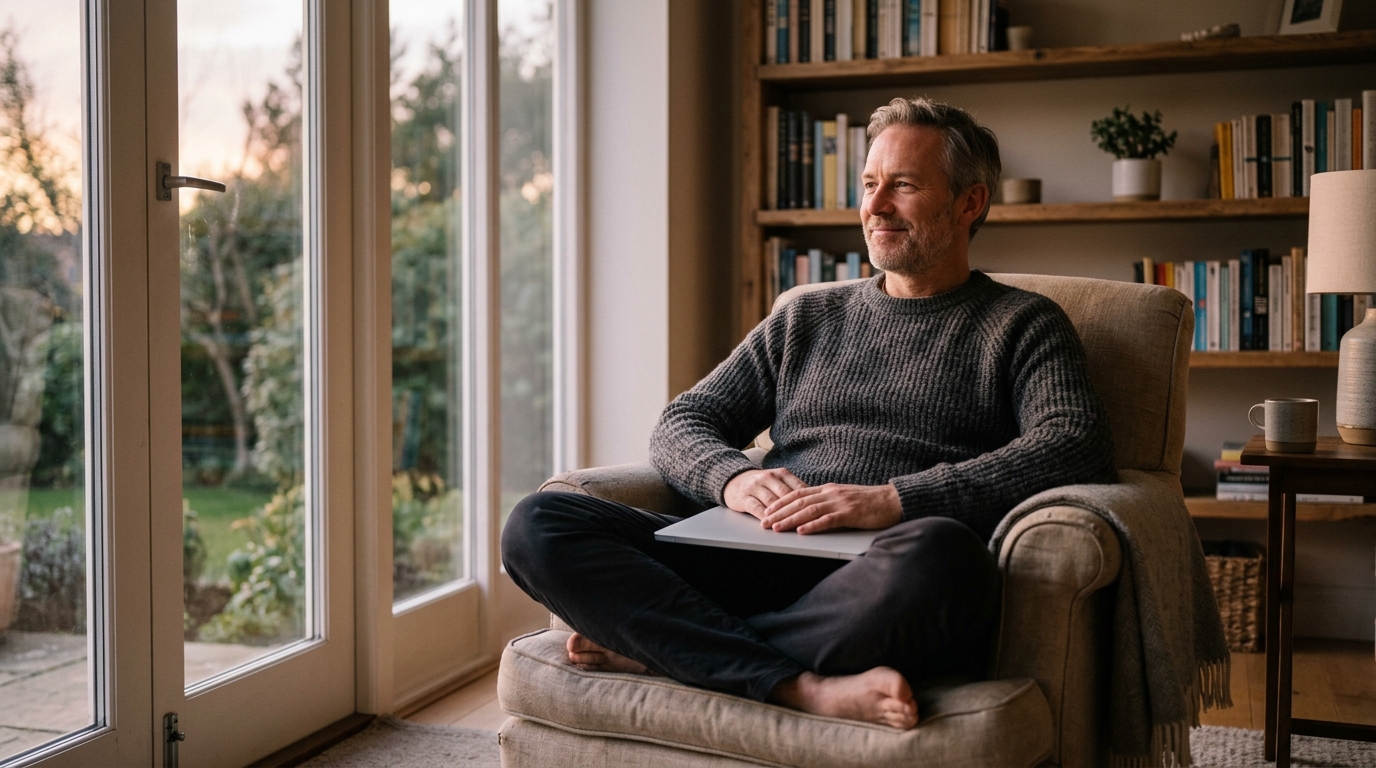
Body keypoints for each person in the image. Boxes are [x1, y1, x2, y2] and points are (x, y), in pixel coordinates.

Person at [501, 97, 1116, 731]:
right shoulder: (807, 316)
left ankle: (668, 649)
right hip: (751, 554)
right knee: (538, 522)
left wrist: (892, 499)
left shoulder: (1022, 323)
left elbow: (1073, 442)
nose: (875, 208)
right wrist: (733, 480)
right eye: (870, 184)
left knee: (947, 558)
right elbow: (683, 421)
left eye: (902, 186)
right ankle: (801, 685)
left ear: (970, 203)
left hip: (876, 576)